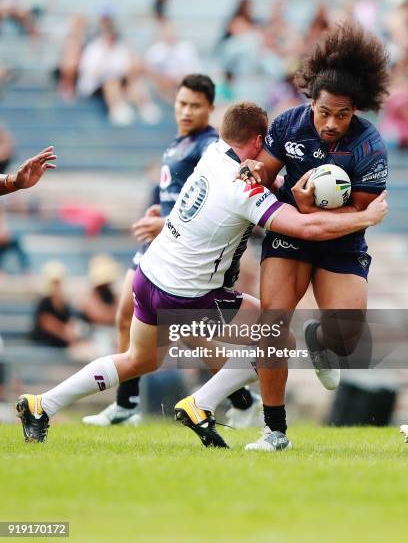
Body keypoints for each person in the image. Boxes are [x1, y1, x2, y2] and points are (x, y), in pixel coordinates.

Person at [15, 101, 387, 443]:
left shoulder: (212, 155)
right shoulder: (245, 190)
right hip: (189, 295)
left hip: (150, 276)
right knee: (278, 337)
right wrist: (364, 217)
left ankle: (41, 405)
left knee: (139, 360)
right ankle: (200, 403)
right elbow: (305, 229)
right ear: (259, 141)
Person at [234, 21, 390, 451]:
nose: (332, 123)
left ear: (355, 109)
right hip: (291, 236)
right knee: (272, 322)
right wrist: (256, 173)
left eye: (343, 114)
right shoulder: (289, 125)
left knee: (347, 337)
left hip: (340, 240)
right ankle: (275, 430)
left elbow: (361, 212)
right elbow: (265, 170)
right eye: (324, 112)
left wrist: (311, 209)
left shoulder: (369, 146)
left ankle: (319, 340)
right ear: (311, 102)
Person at [82, 74, 259, 428]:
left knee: (168, 327)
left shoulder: (209, 146)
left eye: (195, 105)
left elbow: (209, 203)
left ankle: (127, 404)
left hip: (177, 245)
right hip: (160, 241)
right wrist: (156, 213)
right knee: (148, 323)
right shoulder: (181, 142)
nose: (186, 111)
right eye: (181, 103)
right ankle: (235, 398)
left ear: (210, 109)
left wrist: (163, 223)